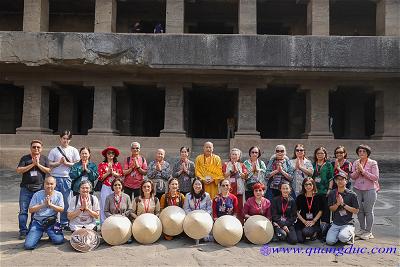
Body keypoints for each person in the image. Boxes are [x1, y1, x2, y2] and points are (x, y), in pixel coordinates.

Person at [16, 140, 51, 240]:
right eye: (34, 147)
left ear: (41, 148)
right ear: (30, 148)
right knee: (23, 210)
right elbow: (19, 170)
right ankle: (23, 231)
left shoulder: (44, 158)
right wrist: (32, 164)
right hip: (26, 188)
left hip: (39, 189)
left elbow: (48, 170)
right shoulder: (25, 158)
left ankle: (32, 229)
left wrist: (38, 165)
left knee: (35, 211)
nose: (36, 149)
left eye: (38, 147)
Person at [48, 130, 80, 230]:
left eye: (67, 139)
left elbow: (77, 164)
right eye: (63, 138)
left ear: (70, 140)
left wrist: (66, 163)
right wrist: (59, 163)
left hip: (67, 178)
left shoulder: (73, 150)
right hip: (55, 178)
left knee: (66, 201)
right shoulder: (54, 150)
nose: (65, 140)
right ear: (60, 139)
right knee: (54, 199)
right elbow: (50, 164)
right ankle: (53, 220)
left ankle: (64, 221)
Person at [24, 176, 64, 250]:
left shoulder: (59, 195)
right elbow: (31, 210)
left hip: (52, 222)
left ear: (55, 184)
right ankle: (38, 234)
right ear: (44, 184)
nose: (49, 186)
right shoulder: (37, 194)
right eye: (47, 184)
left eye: (51, 184)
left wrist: (51, 205)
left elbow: (61, 209)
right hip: (38, 222)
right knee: (28, 246)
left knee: (59, 240)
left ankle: (50, 233)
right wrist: (43, 205)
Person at [351, 144, 380, 240]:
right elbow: (352, 177)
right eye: (360, 151)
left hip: (369, 189)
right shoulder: (355, 162)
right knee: (359, 210)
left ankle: (369, 231)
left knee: (368, 211)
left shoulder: (372, 163)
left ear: (368, 153)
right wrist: (358, 171)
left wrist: (363, 171)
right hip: (357, 189)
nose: (361, 153)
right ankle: (362, 229)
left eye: (364, 151)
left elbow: (375, 177)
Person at [326, 172, 359, 245]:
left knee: (343, 237)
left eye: (342, 179)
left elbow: (356, 211)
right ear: (335, 181)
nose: (340, 181)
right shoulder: (332, 193)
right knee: (329, 241)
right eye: (338, 179)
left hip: (347, 223)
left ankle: (349, 234)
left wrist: (343, 204)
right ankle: (340, 235)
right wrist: (337, 204)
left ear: (346, 181)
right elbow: (331, 209)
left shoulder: (352, 194)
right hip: (336, 223)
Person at [312, 146, 334, 237]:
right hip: (315, 192)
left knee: (326, 212)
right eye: (318, 153)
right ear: (315, 155)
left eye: (322, 153)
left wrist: (329, 189)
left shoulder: (328, 165)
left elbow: (331, 178)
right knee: (316, 211)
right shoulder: (313, 164)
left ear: (325, 154)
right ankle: (316, 231)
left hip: (325, 191)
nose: (320, 155)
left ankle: (325, 233)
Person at [97, 146, 123, 224]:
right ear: (106, 155)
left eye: (112, 153)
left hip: (116, 187)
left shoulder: (117, 164)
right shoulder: (102, 164)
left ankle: (114, 223)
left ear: (115, 155)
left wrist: (114, 173)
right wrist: (108, 173)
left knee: (116, 204)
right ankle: (103, 224)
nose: (110, 154)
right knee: (104, 204)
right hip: (106, 186)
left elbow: (121, 175)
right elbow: (100, 178)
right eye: (109, 153)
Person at [222, 148, 247, 223]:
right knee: (228, 206)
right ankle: (226, 222)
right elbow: (223, 175)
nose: (234, 156)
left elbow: (245, 176)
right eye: (233, 154)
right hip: (228, 189)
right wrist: (231, 171)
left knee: (239, 207)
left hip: (239, 189)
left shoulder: (242, 165)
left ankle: (239, 224)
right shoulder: (226, 164)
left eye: (236, 154)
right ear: (230, 155)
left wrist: (238, 171)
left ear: (239, 156)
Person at [295, 177, 323, 243]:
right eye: (306, 185)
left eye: (310, 184)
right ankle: (308, 233)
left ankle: (314, 232)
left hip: (314, 222)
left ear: (313, 185)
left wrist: (313, 221)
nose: (308, 186)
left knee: (306, 232)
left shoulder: (318, 197)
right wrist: (304, 221)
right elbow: (296, 211)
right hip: (302, 221)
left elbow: (321, 211)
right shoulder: (300, 197)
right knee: (300, 240)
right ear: (303, 186)